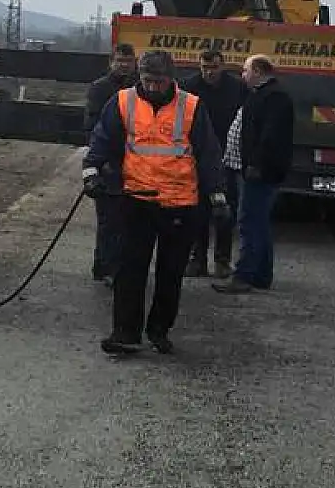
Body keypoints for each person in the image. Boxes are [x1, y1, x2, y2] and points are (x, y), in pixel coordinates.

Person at [83, 49, 227, 355]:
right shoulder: (123, 101)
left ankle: (159, 330)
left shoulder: (191, 107)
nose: (152, 87)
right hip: (136, 199)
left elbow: (209, 154)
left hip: (179, 203)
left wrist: (217, 194)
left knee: (170, 273)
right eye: (147, 80)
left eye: (158, 82)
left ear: (170, 79)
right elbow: (101, 139)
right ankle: (125, 333)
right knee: (129, 270)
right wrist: (92, 173)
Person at [214, 54, 295, 294]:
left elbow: (270, 137)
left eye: (246, 71)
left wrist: (257, 165)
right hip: (248, 168)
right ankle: (261, 275)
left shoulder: (275, 97)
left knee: (249, 222)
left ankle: (244, 275)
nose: (243, 75)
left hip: (260, 172)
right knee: (258, 222)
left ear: (258, 71)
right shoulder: (260, 95)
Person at [183, 49, 247, 278]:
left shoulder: (237, 88)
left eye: (214, 67)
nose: (209, 72)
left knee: (224, 211)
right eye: (205, 67)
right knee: (197, 211)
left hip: (227, 156)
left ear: (223, 66)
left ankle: (222, 260)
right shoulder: (189, 86)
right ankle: (197, 259)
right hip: (196, 156)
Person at [81, 43, 136, 284]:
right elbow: (92, 127)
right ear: (111, 62)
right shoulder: (100, 88)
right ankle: (105, 266)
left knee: (126, 220)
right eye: (120, 60)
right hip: (108, 163)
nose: (124, 65)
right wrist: (98, 162)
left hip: (134, 162)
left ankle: (113, 265)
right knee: (109, 220)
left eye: (128, 61)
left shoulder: (138, 89)